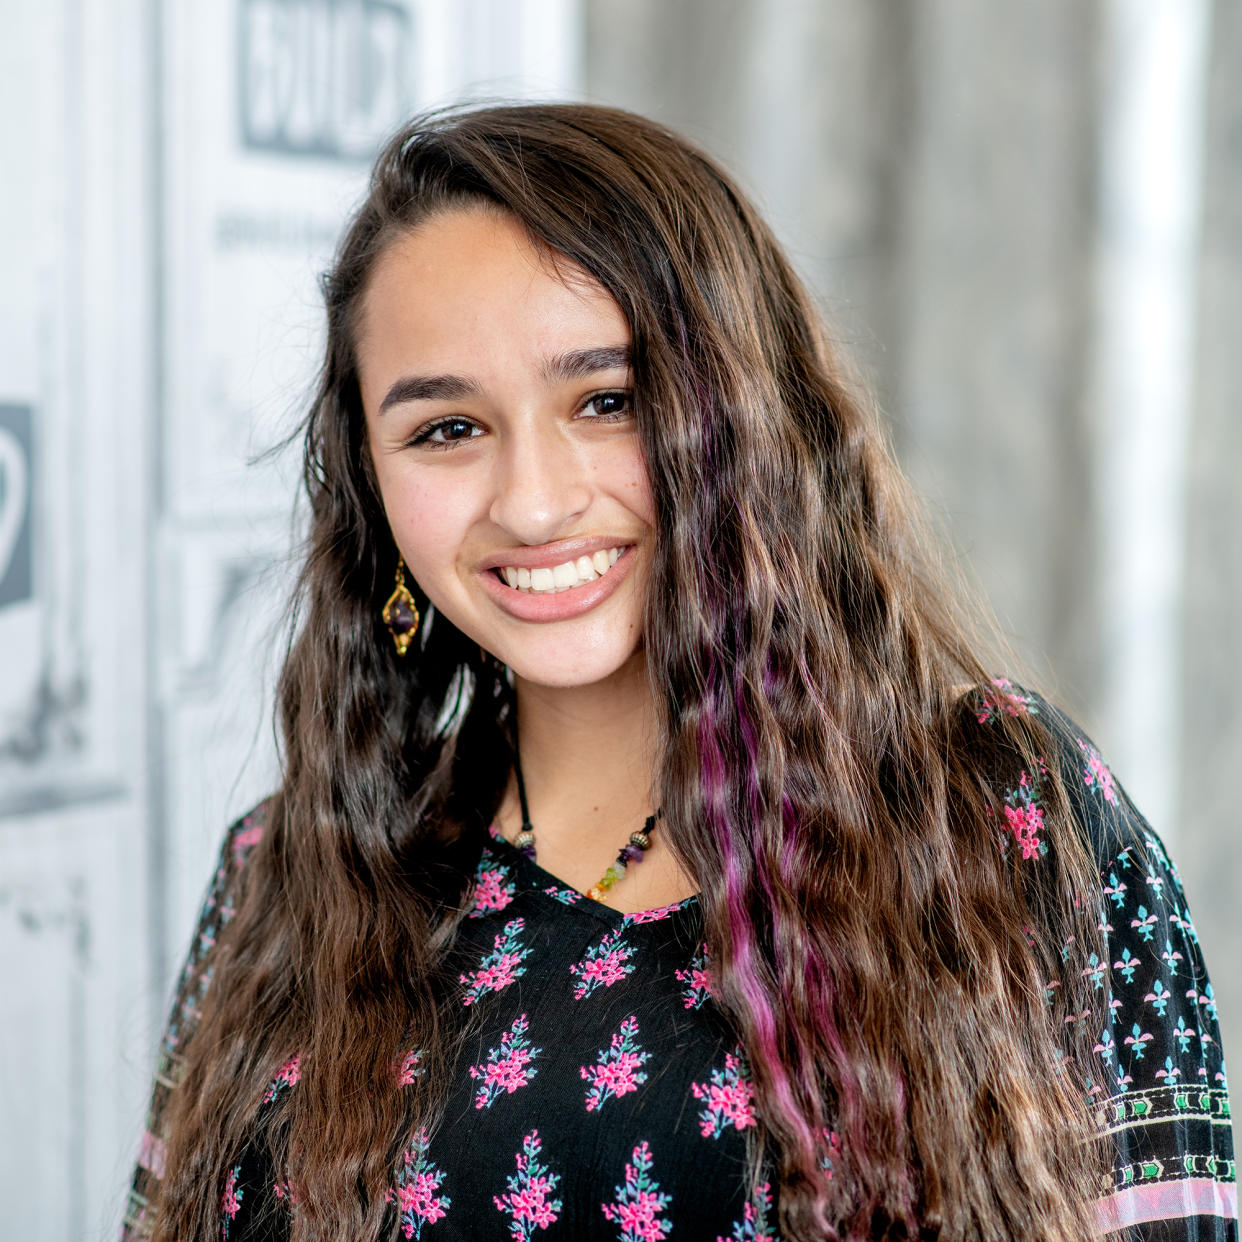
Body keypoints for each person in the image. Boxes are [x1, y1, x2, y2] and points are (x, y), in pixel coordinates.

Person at [121, 103, 1236, 1242]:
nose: (535, 502)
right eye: (446, 429)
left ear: (741, 413)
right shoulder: (282, 877)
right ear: (369, 478)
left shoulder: (1004, 820)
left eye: (607, 401)